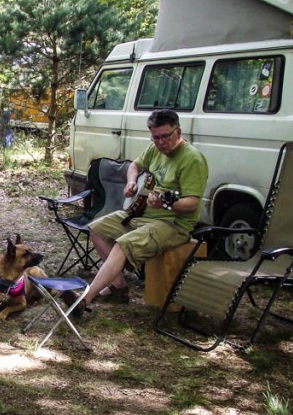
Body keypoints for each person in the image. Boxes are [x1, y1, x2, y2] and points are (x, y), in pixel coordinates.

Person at [80, 109, 208, 309]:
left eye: (165, 136)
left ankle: (85, 299)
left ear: (178, 132)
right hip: (141, 214)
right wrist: (131, 182)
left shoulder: (192, 160)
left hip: (173, 224)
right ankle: (118, 287)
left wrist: (166, 203)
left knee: (123, 244)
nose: (160, 142)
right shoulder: (155, 149)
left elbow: (192, 204)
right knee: (96, 229)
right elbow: (135, 166)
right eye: (155, 137)